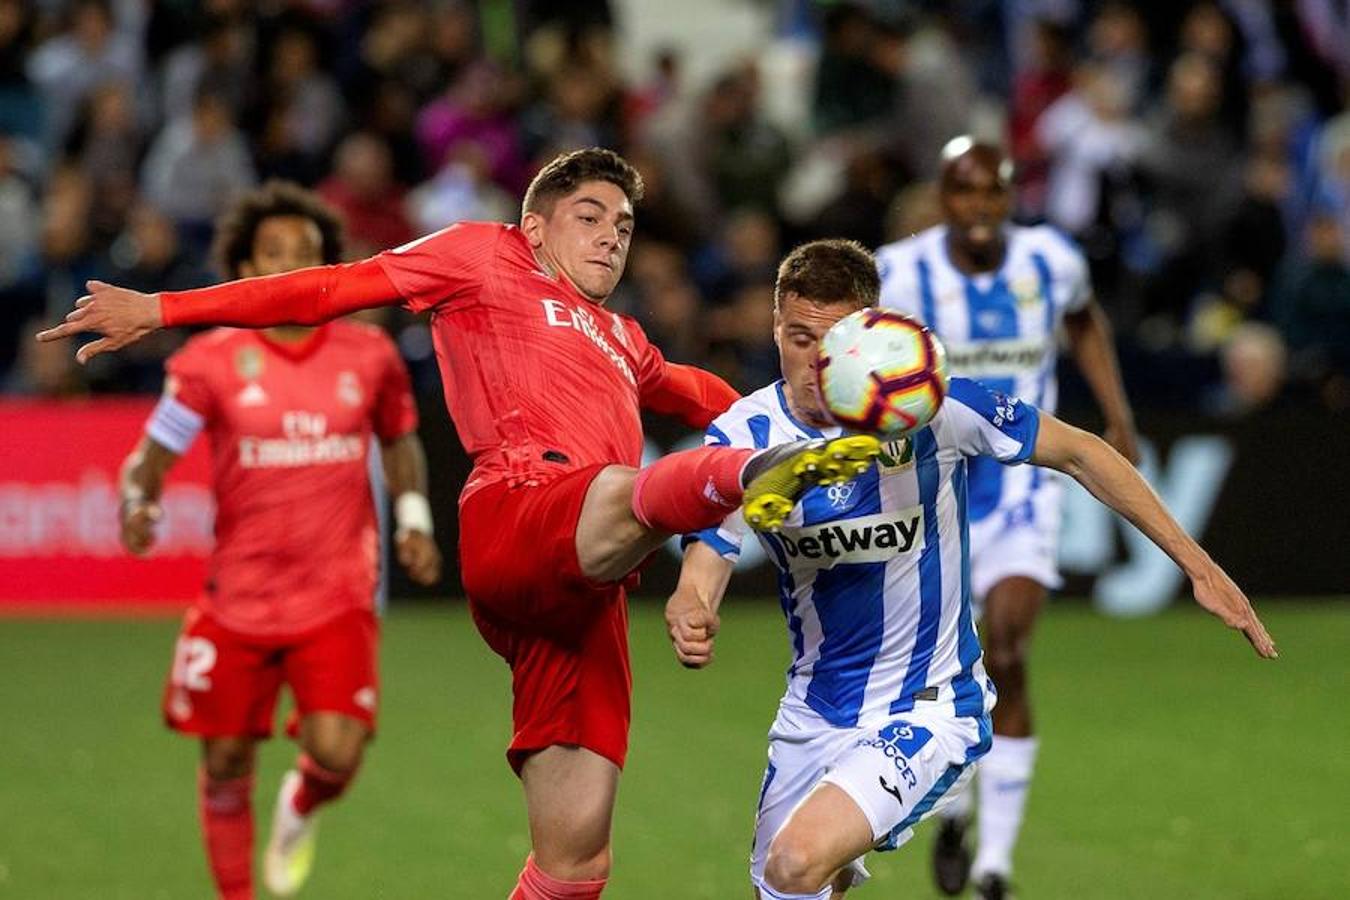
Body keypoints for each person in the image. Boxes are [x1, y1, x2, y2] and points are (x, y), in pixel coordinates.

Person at [39, 147, 881, 899]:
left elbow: (703, 395)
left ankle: (763, 467)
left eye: (623, 226)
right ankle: (757, 476)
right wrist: (164, 309)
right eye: (590, 217)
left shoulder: (623, 337)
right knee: (632, 488)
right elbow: (332, 287)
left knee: (575, 863)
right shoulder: (483, 255)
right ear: (535, 226)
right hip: (520, 508)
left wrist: (816, 408)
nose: (611, 238)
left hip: (584, 599)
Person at [664, 239, 1275, 900]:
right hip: (813, 712)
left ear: (871, 331)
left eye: (832, 342)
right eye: (798, 337)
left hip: (930, 705)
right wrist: (693, 601)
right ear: (775, 328)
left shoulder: (932, 411)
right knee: (796, 884)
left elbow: (1082, 453)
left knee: (795, 861)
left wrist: (1199, 566)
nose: (814, 363)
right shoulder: (745, 434)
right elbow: (712, 546)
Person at [117, 181, 442, 899]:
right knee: (226, 760)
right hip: (240, 596)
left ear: (330, 265)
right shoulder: (209, 361)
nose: (291, 267)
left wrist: (415, 518)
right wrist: (138, 500)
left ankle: (300, 804)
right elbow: (150, 458)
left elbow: (399, 441)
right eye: (273, 253)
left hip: (337, 592)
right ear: (244, 267)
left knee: (336, 753)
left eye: (306, 253)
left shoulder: (370, 355)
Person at [874, 137, 1141, 898]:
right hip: (934, 490)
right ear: (943, 198)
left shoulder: (1052, 260)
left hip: (1025, 489)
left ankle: (994, 866)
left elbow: (1084, 322)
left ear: (1009, 195)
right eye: (965, 193)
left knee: (1009, 649)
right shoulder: (900, 272)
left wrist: (1117, 416)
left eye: (992, 191)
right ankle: (955, 809)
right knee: (942, 667)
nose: (980, 207)